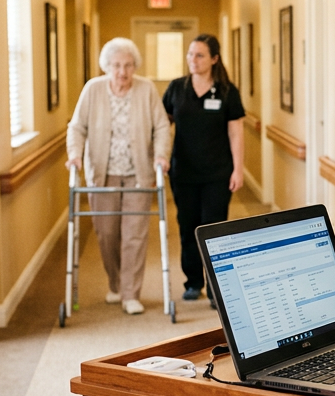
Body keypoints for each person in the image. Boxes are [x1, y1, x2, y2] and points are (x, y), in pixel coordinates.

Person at [66, 37, 172, 315]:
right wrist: (75, 155)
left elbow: (161, 127)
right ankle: (115, 283)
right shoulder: (93, 89)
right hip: (103, 175)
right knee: (107, 233)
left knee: (134, 235)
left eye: (127, 65)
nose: (122, 72)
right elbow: (77, 127)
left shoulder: (146, 89)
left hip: (139, 174)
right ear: (106, 66)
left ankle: (130, 293)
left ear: (134, 66)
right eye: (116, 66)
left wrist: (161, 156)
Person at [162, 34, 245, 305]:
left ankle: (215, 288)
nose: (192, 60)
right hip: (183, 172)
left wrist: (238, 169)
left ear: (214, 59)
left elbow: (236, 133)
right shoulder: (176, 88)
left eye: (199, 55)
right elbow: (163, 126)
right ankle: (193, 282)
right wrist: (159, 156)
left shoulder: (226, 91)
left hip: (217, 173)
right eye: (190, 54)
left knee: (213, 230)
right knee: (187, 227)